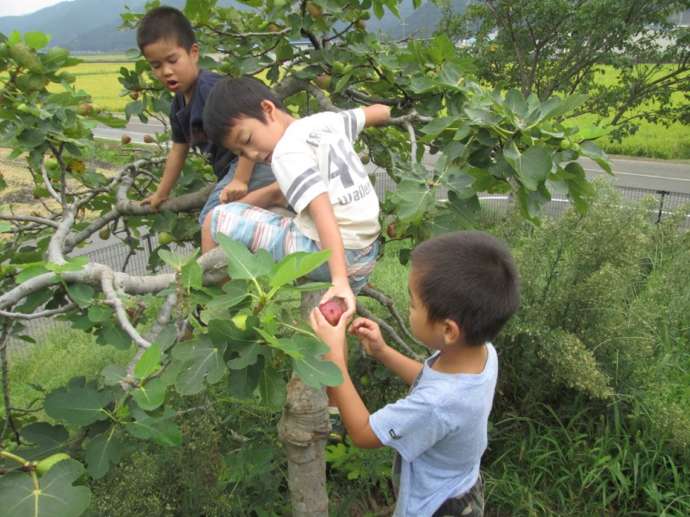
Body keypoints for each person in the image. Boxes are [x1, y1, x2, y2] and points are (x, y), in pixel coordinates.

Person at [309, 231, 520, 517]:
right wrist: (383, 351)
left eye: (412, 304)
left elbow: (362, 433)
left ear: (448, 330)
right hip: (462, 486)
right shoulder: (481, 353)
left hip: (435, 508)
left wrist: (334, 357)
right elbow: (430, 378)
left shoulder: (437, 405)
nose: (408, 308)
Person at [201, 76, 390, 314]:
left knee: (214, 219)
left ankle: (227, 309)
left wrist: (339, 279)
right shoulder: (324, 122)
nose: (252, 154)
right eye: (241, 153)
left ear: (268, 109)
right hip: (368, 248)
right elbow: (375, 112)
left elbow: (323, 212)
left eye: (247, 140)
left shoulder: (286, 153)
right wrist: (391, 111)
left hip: (338, 256)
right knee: (269, 200)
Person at [135, 6, 283, 230]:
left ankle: (276, 202)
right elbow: (178, 151)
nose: (166, 71)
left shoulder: (211, 89)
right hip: (234, 170)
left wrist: (240, 180)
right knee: (219, 220)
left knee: (211, 220)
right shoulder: (177, 106)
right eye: (156, 66)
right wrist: (161, 194)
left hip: (255, 161)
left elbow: (249, 134)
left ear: (193, 53)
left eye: (172, 60)